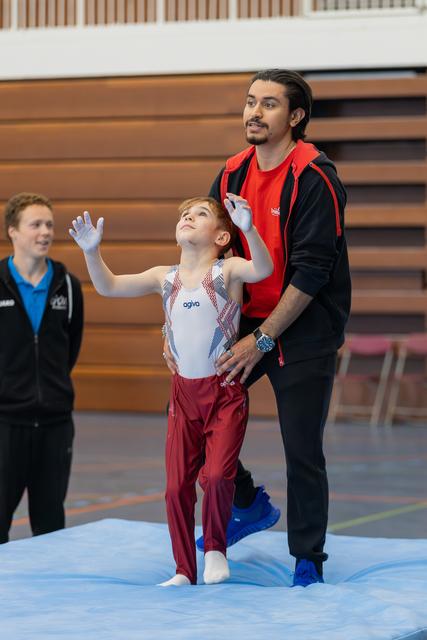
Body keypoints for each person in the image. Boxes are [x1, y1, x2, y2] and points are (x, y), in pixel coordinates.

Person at [166, 68, 351, 587]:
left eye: (269, 104)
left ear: (295, 117)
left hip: (304, 327)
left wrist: (265, 337)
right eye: (250, 101)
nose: (254, 112)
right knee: (188, 408)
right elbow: (203, 251)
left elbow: (314, 270)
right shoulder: (229, 175)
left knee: (302, 448)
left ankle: (308, 558)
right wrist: (178, 334)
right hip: (240, 323)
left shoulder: (314, 176)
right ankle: (245, 502)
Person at [70, 194, 273, 586]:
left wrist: (248, 227)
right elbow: (110, 287)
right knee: (175, 486)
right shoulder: (164, 277)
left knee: (215, 476)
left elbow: (262, 269)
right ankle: (184, 568)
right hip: (182, 395)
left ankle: (215, 549)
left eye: (199, 215)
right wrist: (92, 253)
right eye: (184, 214)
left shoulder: (227, 271)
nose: (187, 218)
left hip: (224, 392)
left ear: (220, 238)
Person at [0, 192, 84, 544]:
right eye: (35, 224)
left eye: (49, 224)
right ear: (13, 232)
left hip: (55, 425)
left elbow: (70, 349)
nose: (45, 232)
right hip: (6, 424)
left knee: (50, 527)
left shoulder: (67, 285)